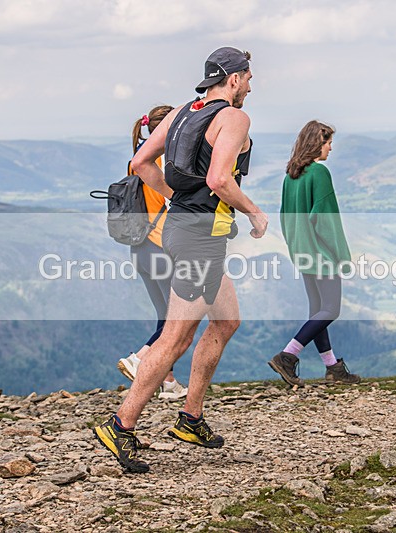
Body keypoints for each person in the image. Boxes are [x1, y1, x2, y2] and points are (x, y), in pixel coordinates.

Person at [93, 47, 268, 473]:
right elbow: (219, 178)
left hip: (184, 231)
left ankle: (190, 417)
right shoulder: (233, 117)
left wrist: (179, 201)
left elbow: (140, 162)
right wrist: (253, 212)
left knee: (226, 321)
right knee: (174, 338)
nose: (250, 85)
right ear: (233, 78)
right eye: (248, 77)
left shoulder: (181, 113)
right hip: (199, 239)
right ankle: (121, 425)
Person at [268, 120, 360, 387]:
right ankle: (288, 355)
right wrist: (341, 255)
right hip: (322, 254)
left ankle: (333, 368)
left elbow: (285, 217)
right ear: (316, 144)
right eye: (328, 142)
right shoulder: (319, 173)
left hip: (303, 252)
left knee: (318, 311)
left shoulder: (291, 176)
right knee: (331, 310)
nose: (330, 148)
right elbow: (326, 220)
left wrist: (296, 247)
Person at [116, 105, 188, 400]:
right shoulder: (161, 159)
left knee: (165, 315)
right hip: (161, 246)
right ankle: (140, 358)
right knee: (177, 321)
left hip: (139, 248)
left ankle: (168, 383)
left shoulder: (136, 158)